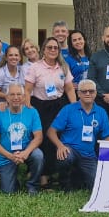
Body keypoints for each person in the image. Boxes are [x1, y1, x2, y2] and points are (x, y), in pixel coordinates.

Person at [47, 79, 109, 192]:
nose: (88, 94)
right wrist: (60, 146)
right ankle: (64, 184)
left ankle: (77, 179)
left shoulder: (101, 112)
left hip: (89, 154)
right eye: (84, 91)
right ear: (78, 93)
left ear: (95, 93)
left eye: (91, 91)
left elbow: (106, 136)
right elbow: (51, 131)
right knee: (65, 157)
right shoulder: (68, 109)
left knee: (97, 185)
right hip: (70, 149)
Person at [27, 37, 76, 186]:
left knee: (58, 138)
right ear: (44, 49)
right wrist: (28, 109)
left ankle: (56, 172)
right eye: (50, 47)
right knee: (43, 140)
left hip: (59, 105)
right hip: (40, 106)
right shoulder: (35, 67)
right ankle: (42, 175)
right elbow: (27, 90)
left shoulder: (63, 67)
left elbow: (69, 89)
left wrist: (74, 107)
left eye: (56, 48)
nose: (53, 50)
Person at [0, 83, 44, 194]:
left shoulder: (32, 112)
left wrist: (25, 153)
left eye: (19, 94)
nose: (16, 97)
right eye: (12, 94)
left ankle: (32, 185)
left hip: (26, 151)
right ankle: (15, 181)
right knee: (8, 192)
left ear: (23, 97)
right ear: (7, 97)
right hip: (6, 154)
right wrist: (10, 156)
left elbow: (38, 137)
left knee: (38, 156)